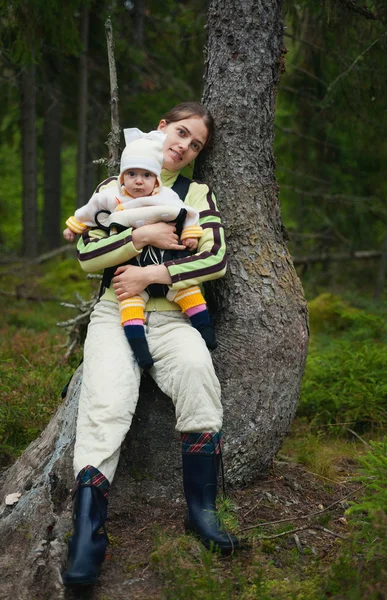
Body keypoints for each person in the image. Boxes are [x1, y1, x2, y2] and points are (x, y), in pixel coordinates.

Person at [62, 102, 239, 588]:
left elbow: (216, 257)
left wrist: (152, 271)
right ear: (162, 128)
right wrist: (141, 234)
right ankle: (88, 535)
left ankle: (201, 511)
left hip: (173, 315)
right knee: (105, 404)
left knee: (199, 377)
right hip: (115, 314)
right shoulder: (116, 185)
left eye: (195, 143)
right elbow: (86, 255)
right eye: (181, 132)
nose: (184, 145)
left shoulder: (196, 193)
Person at [63, 128, 216, 370]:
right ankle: (140, 353)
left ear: (155, 180)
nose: (138, 181)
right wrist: (75, 226)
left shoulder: (168, 196)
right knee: (130, 307)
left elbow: (189, 216)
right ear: (122, 177)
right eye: (131, 174)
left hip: (168, 270)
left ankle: (206, 331)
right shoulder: (111, 196)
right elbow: (89, 216)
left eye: (145, 175)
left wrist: (190, 234)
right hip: (127, 274)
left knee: (188, 292)